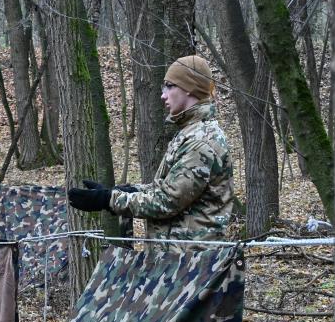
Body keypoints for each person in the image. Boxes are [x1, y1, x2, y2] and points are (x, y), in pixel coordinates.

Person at [68, 55, 234, 253]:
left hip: (192, 265)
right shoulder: (191, 132)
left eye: (169, 86)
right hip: (179, 260)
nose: (163, 95)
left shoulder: (201, 141)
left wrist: (108, 199)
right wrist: (125, 191)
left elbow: (166, 201)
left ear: (189, 87)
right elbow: (165, 187)